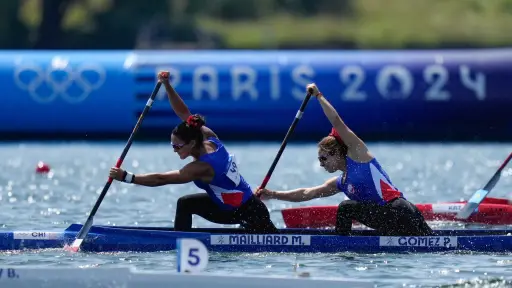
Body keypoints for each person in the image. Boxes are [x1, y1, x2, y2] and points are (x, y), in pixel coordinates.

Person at [109, 71, 278, 234]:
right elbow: (184, 114)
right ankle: (181, 238)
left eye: (177, 146)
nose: (174, 150)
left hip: (248, 213)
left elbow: (162, 179)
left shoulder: (202, 167)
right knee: (185, 203)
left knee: (186, 204)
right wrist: (167, 85)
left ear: (191, 143)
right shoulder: (209, 137)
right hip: (240, 206)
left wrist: (127, 177)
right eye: (172, 145)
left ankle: (179, 242)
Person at [255, 83, 433, 237]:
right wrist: (272, 194)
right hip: (391, 219)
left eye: (323, 158)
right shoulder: (340, 182)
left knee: (346, 207)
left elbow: (336, 121)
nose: (321, 164)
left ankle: (341, 246)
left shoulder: (359, 155)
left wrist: (318, 95)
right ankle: (346, 241)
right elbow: (307, 193)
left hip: (400, 211)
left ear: (337, 153)